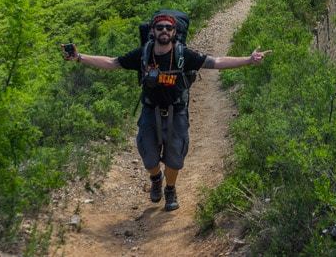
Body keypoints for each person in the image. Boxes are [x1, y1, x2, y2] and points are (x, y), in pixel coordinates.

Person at [60, 12, 270, 211]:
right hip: (150, 109)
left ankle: (170, 189)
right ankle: (155, 179)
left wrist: (248, 60)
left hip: (176, 110)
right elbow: (112, 62)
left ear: (174, 32)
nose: (164, 31)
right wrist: (79, 57)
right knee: (148, 155)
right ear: (152, 30)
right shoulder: (143, 54)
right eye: (160, 27)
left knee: (175, 157)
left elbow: (215, 62)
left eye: (168, 28)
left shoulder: (183, 54)